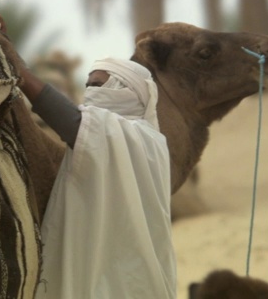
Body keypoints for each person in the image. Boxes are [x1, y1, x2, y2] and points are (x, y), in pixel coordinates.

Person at [16, 56, 176, 298]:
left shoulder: (140, 139)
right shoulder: (118, 135)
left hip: (127, 277)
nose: (90, 92)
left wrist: (20, 71)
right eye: (88, 85)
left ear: (130, 91)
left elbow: (71, 121)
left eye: (99, 85)